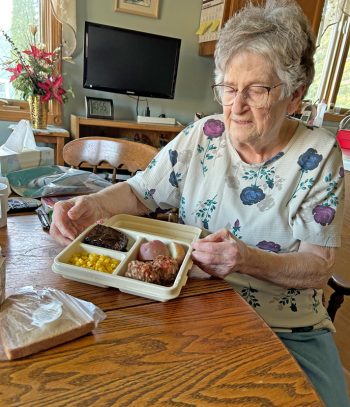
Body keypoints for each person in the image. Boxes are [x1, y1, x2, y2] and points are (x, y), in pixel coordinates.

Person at [50, 1, 349, 405]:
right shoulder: (203, 134)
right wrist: (94, 204)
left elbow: (317, 268)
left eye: (257, 89)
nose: (236, 106)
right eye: (228, 87)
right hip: (191, 304)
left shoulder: (318, 153)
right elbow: (140, 192)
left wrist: (245, 259)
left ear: (294, 96)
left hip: (284, 324)